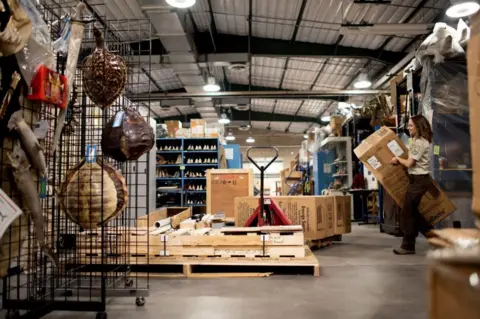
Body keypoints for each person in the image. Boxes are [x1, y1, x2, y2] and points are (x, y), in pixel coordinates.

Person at [390, 115, 434, 255]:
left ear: (419, 127)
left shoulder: (420, 142)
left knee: (407, 212)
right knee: (413, 212)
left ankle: (408, 246)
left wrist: (398, 159)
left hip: (419, 180)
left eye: (411, 126)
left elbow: (409, 163)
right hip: (418, 179)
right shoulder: (416, 140)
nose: (408, 128)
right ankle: (434, 238)